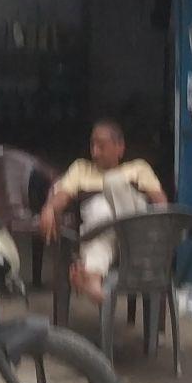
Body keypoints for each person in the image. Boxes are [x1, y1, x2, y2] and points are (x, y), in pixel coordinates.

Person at [39, 119, 167, 307]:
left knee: (113, 183)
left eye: (101, 146)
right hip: (104, 234)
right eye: (92, 145)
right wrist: (49, 208)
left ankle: (130, 254)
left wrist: (160, 236)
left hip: (137, 235)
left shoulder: (138, 168)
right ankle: (92, 278)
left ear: (119, 147)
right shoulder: (81, 168)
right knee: (98, 222)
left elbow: (160, 203)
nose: (95, 152)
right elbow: (62, 195)